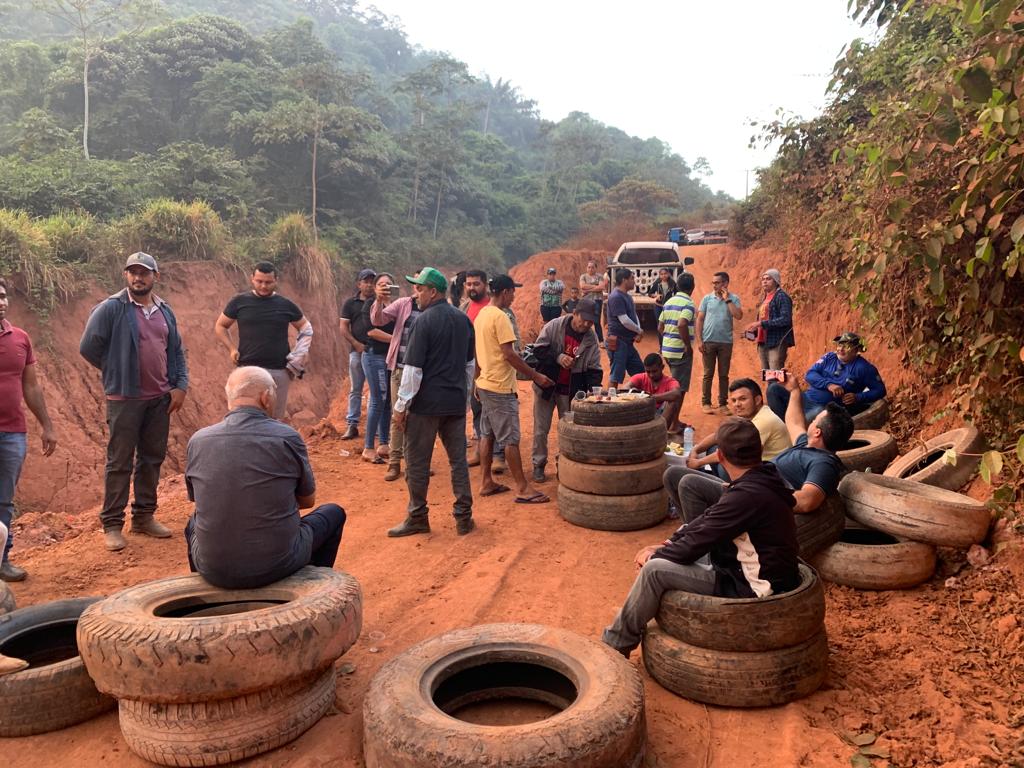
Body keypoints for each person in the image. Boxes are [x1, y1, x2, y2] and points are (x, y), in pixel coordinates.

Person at [602, 418, 800, 658]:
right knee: (669, 555)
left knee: (654, 570)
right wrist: (668, 544)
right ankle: (631, 617)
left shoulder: (747, 496)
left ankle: (614, 646)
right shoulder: (763, 476)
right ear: (759, 451)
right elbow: (708, 520)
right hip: (745, 568)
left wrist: (659, 554)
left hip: (752, 584)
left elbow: (696, 543)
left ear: (720, 457)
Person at [184, 367, 346, 589]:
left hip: (212, 569)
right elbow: (308, 501)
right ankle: (312, 588)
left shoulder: (198, 440)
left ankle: (207, 596)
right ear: (266, 397)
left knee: (193, 523)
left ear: (230, 399)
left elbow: (199, 500)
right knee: (334, 513)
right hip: (277, 565)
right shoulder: (287, 437)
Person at [79, 252, 188, 552]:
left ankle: (143, 517)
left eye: (144, 273)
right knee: (119, 462)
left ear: (155, 276)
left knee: (152, 459)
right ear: (126, 275)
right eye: (133, 272)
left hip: (159, 398)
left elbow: (176, 350)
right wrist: (117, 369)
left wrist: (180, 385)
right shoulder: (112, 308)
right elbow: (88, 347)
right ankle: (112, 524)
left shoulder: (164, 310)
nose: (138, 278)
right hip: (124, 399)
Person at [388, 268, 476, 537]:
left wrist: (401, 407)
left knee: (417, 462)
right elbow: (470, 365)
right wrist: (464, 397)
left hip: (425, 405)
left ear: (433, 291)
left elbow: (413, 370)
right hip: (454, 403)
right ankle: (463, 518)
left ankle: (417, 516)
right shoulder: (464, 321)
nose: (417, 294)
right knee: (458, 461)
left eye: (420, 289)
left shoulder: (423, 322)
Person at [475, 275, 554, 504]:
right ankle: (522, 487)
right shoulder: (501, 317)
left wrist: (476, 380)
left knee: (487, 434)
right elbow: (509, 354)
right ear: (506, 292)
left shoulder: (482, 315)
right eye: (513, 291)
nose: (514, 296)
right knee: (510, 438)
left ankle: (485, 481)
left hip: (486, 384)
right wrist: (536, 375)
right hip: (500, 387)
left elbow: (478, 351)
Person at [0, 278, 57, 582]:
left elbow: (31, 385)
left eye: (3, 296)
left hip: (12, 433)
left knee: (4, 501)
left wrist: (47, 425)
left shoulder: (20, 338)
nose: (1, 302)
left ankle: (2, 560)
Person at [214, 262, 311, 421]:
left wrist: (298, 356)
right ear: (252, 278)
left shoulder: (285, 304)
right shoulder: (239, 302)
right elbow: (220, 326)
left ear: (276, 280)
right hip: (247, 371)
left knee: (274, 419)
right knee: (243, 417)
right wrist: (231, 348)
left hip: (279, 371)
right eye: (259, 281)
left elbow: (306, 328)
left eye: (268, 282)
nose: (264, 286)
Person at [530, 298, 602, 482]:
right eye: (583, 319)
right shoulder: (555, 325)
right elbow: (538, 350)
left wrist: (594, 392)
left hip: (570, 391)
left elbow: (594, 368)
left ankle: (563, 465)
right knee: (540, 429)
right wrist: (558, 357)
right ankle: (538, 464)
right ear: (574, 313)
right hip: (546, 385)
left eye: (590, 321)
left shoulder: (591, 339)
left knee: (568, 432)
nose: (586, 324)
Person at [770, 370, 854, 513]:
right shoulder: (807, 445)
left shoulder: (823, 463)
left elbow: (807, 501)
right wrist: (794, 390)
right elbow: (794, 422)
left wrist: (759, 497)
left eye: (815, 420)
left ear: (817, 432)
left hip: (754, 497)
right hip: (748, 486)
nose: (812, 421)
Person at [767, 332, 886, 423]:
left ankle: (791, 429)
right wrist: (829, 385)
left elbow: (880, 390)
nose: (840, 349)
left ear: (856, 350)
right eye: (839, 345)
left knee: (813, 416)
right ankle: (785, 424)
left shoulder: (864, 368)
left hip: (825, 409)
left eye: (846, 346)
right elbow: (810, 374)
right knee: (773, 389)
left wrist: (858, 397)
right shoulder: (830, 357)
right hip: (805, 398)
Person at [686, 378, 792, 480]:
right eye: (734, 400)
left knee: (725, 465)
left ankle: (731, 491)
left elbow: (732, 452)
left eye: (743, 399)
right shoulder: (747, 415)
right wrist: (696, 449)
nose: (737, 404)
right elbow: (718, 435)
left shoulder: (765, 420)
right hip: (761, 464)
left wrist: (698, 463)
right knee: (714, 447)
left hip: (774, 473)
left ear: (757, 400)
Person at [370, 281, 420, 482]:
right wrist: (379, 301)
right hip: (400, 368)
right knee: (397, 415)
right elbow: (378, 320)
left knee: (417, 417)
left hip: (422, 372)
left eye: (422, 285)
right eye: (416, 285)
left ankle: (413, 463)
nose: (418, 289)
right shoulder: (403, 304)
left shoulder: (434, 310)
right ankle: (394, 462)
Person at [356, 273, 396, 463]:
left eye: (388, 284)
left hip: (389, 357)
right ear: (375, 288)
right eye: (381, 284)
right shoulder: (370, 304)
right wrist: (397, 340)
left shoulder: (395, 306)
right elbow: (371, 331)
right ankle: (368, 447)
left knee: (387, 400)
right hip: (374, 356)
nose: (385, 287)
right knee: (377, 400)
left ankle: (384, 443)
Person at [696, 271, 742, 415]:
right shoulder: (706, 299)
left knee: (723, 374)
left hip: (726, 342)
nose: (715, 285)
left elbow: (738, 315)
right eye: (713, 283)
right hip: (708, 341)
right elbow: (700, 319)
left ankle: (723, 404)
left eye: (717, 282)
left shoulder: (734, 298)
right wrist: (700, 340)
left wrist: (727, 299)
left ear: (725, 284)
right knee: (708, 373)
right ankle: (706, 403)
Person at [339, 268, 376, 440]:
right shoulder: (350, 303)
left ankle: (374, 427)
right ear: (359, 284)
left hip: (377, 353)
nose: (369, 285)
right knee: (356, 389)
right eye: (366, 281)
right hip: (357, 352)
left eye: (372, 281)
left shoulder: (379, 302)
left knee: (375, 391)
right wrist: (356, 344)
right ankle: (352, 425)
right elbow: (343, 328)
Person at [658, 272, 696, 415]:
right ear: (693, 288)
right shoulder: (688, 303)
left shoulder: (669, 302)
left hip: (668, 350)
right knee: (678, 390)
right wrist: (687, 345)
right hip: (680, 351)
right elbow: (682, 324)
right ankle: (671, 424)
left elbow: (660, 327)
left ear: (677, 286)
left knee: (674, 385)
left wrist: (668, 338)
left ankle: (673, 421)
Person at [745, 268, 794, 371]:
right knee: (767, 375)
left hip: (777, 341)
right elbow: (763, 320)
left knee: (775, 374)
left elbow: (785, 319)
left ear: (776, 281)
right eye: (763, 279)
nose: (765, 281)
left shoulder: (781, 297)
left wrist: (761, 324)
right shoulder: (765, 298)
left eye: (768, 279)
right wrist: (753, 332)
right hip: (763, 342)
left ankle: (777, 388)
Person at [606, 268, 644, 387]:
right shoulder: (616, 297)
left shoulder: (627, 296)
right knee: (616, 376)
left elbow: (633, 315)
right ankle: (610, 402)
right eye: (632, 278)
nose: (634, 281)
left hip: (627, 342)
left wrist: (638, 330)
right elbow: (624, 320)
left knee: (640, 372)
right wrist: (639, 330)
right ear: (624, 280)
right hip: (618, 342)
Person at [629, 353, 682, 433]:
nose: (651, 375)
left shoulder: (670, 381)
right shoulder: (640, 377)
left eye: (654, 371)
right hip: (642, 412)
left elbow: (677, 393)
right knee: (628, 396)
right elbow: (625, 388)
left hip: (660, 414)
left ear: (662, 367)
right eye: (648, 371)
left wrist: (650, 398)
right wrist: (635, 392)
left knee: (673, 401)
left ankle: (661, 432)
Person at [579, 260, 608, 344]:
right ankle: (583, 340)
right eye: (589, 267)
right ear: (586, 268)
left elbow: (602, 287)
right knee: (585, 320)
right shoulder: (583, 276)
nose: (590, 269)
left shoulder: (599, 276)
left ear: (596, 268)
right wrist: (595, 287)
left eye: (592, 267)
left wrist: (588, 290)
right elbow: (582, 286)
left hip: (597, 300)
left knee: (596, 321)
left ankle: (601, 341)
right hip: (586, 301)